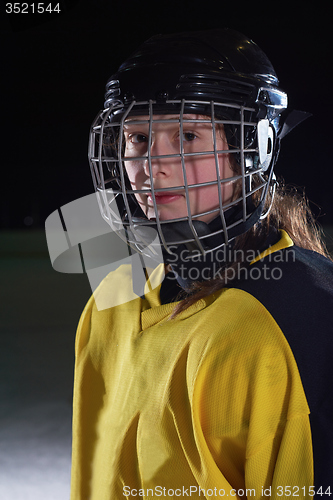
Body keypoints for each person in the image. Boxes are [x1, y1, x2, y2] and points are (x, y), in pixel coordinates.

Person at [70, 29, 333, 499]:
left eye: (188, 134)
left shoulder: (300, 313)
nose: (154, 164)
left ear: (256, 147)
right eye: (137, 138)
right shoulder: (110, 301)